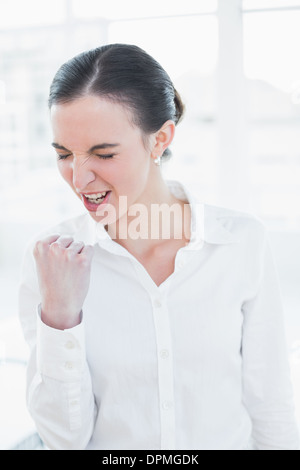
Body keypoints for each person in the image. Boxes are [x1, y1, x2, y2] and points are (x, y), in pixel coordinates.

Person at [19, 44, 299, 450]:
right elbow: (64, 439)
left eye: (104, 153)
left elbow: (271, 406)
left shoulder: (241, 244)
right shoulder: (49, 260)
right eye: (64, 154)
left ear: (160, 139)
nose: (79, 179)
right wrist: (61, 316)